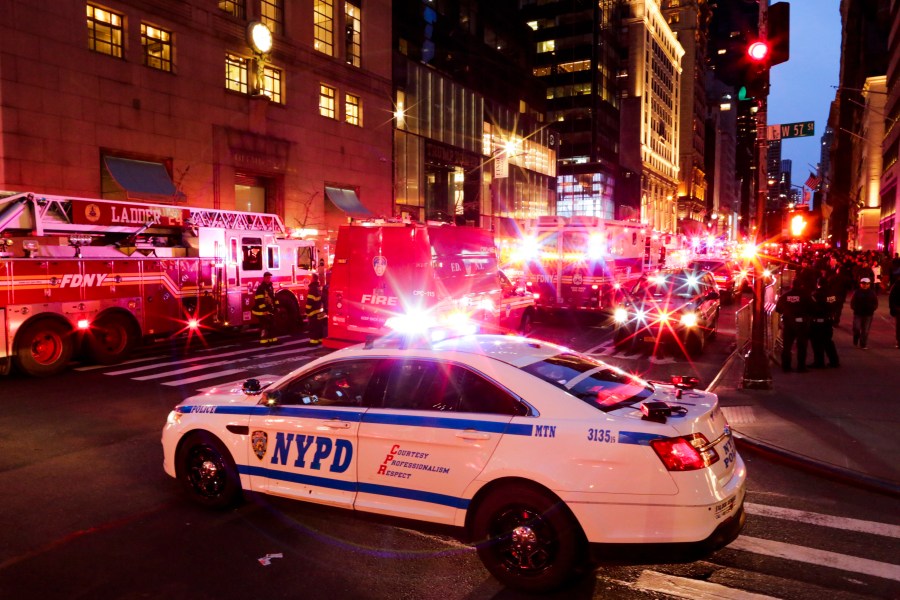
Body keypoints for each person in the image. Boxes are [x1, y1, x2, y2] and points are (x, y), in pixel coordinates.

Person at [775, 277, 815, 372]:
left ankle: (786, 366)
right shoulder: (806, 296)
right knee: (801, 345)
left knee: (787, 346)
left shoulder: (785, 296)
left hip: (789, 323)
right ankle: (801, 367)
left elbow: (778, 309)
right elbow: (813, 308)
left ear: (792, 285)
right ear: (801, 285)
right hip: (802, 324)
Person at [809, 277, 839, 368]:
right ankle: (834, 361)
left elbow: (812, 307)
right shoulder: (832, 293)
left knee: (817, 342)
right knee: (828, 341)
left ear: (818, 284)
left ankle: (819, 362)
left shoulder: (816, 294)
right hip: (829, 320)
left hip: (818, 321)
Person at [850, 277, 878, 349]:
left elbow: (875, 302)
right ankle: (856, 337)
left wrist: (872, 308)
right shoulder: (857, 292)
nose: (865, 285)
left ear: (869, 284)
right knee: (856, 328)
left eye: (867, 284)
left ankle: (863, 344)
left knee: (865, 330)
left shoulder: (872, 293)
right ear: (860, 284)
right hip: (858, 313)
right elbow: (852, 302)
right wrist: (854, 308)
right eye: (863, 284)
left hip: (868, 314)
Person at [252, 272, 279, 345]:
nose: (269, 279)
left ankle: (273, 340)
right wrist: (264, 311)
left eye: (270, 277)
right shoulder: (261, 288)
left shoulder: (270, 287)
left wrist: (276, 307)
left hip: (270, 310)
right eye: (267, 277)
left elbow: (273, 297)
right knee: (264, 326)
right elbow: (259, 301)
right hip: (263, 311)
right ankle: (264, 341)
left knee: (272, 325)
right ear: (264, 278)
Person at [305, 273, 326, 345]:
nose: (309, 280)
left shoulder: (312, 288)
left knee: (313, 327)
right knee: (319, 327)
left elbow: (310, 301)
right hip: (320, 311)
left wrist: (307, 310)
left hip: (313, 312)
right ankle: (320, 340)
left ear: (313, 279)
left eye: (310, 278)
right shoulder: (318, 287)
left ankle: (313, 342)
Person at [889, 277, 900, 349]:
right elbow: (891, 297)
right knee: (899, 326)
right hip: (899, 308)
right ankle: (899, 341)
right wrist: (893, 308)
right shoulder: (897, 284)